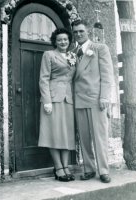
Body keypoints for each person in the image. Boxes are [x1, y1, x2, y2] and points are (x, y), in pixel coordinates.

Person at [72, 20, 114, 183]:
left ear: (87, 31)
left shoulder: (100, 48)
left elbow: (107, 75)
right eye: (75, 32)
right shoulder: (73, 51)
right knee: (84, 137)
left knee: (99, 136)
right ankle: (89, 168)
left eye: (81, 31)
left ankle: (103, 170)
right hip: (79, 99)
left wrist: (104, 96)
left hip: (96, 99)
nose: (78, 34)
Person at [38, 28, 76, 182]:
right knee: (53, 133)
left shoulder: (72, 56)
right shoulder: (49, 55)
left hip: (68, 99)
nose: (63, 42)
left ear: (69, 41)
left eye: (65, 39)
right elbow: (43, 78)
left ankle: (66, 166)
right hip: (52, 100)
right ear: (55, 41)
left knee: (66, 133)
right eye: (59, 39)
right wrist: (46, 100)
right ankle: (58, 167)